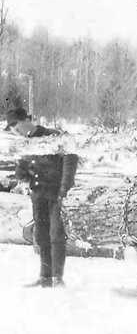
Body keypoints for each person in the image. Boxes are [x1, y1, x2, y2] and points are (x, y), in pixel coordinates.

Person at [6, 108, 78, 288]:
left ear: (27, 120)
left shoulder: (52, 136)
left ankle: (57, 278)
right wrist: (21, 165)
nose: (16, 130)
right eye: (12, 127)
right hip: (38, 194)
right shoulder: (25, 145)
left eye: (16, 124)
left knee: (56, 234)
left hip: (56, 193)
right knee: (41, 235)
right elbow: (21, 175)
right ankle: (45, 278)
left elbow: (70, 159)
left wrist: (64, 187)